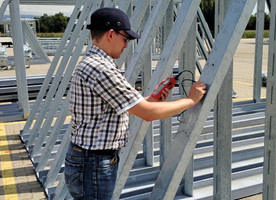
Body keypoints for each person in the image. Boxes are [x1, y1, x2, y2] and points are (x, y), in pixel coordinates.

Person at [64, 7, 207, 200]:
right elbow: (148, 114)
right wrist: (190, 100)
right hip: (94, 163)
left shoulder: (92, 63)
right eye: (125, 39)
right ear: (111, 34)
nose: (126, 45)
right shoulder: (101, 69)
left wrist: (150, 100)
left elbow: (112, 109)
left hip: (89, 159)